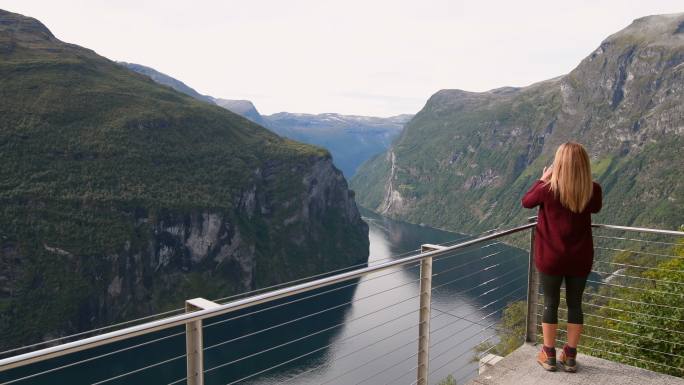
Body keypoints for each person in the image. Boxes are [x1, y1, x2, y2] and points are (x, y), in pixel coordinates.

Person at [521, 142, 602, 373]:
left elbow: (526, 202)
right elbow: (596, 208)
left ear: (559, 164)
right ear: (584, 165)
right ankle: (571, 356)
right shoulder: (593, 189)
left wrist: (542, 179)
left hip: (551, 257)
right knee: (575, 304)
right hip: (580, 257)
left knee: (550, 303)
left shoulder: (547, 189)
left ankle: (548, 354)